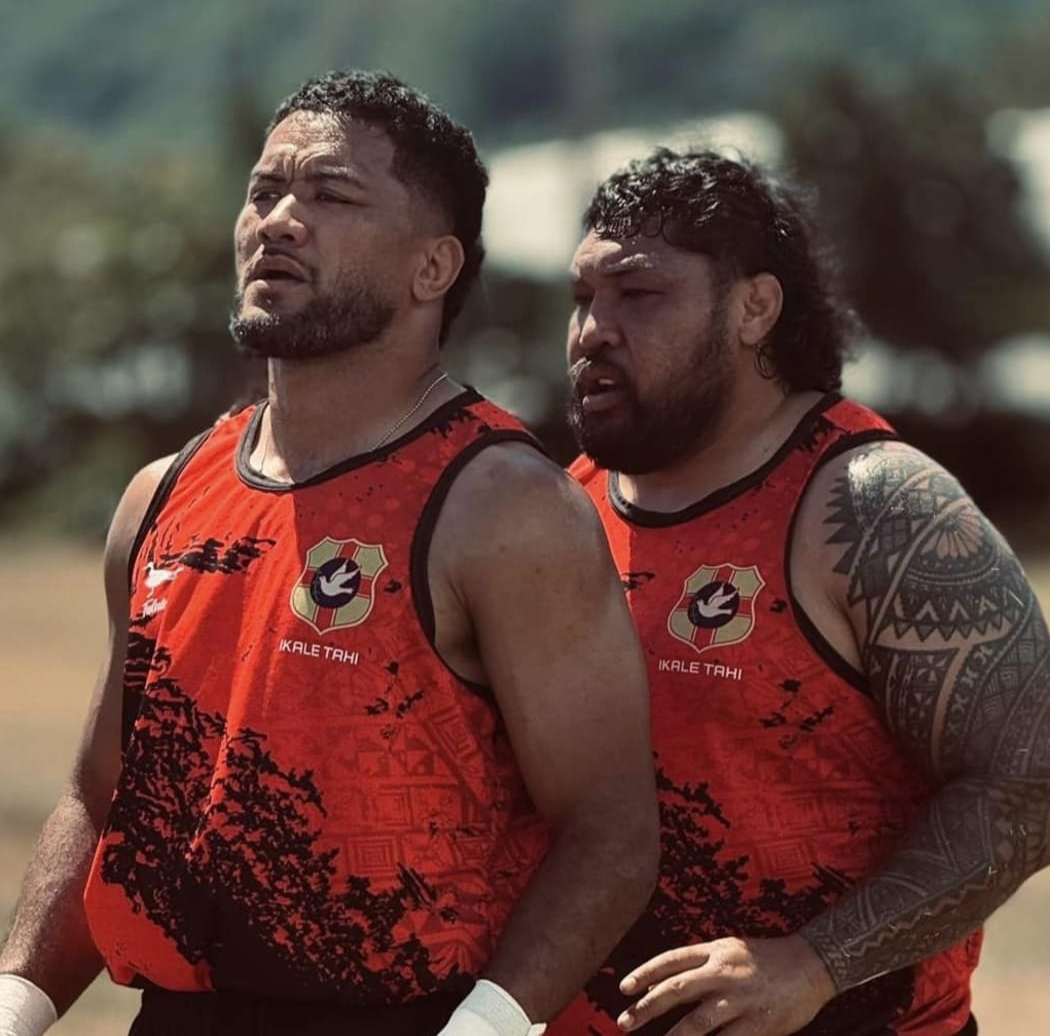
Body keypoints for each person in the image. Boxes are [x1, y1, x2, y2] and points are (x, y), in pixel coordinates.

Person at [0, 71, 660, 1036]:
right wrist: (15, 1001)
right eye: (265, 190)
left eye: (331, 195)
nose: (280, 221)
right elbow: (103, 799)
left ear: (433, 269)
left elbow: (613, 835)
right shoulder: (162, 492)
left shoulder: (504, 506)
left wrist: (481, 1030)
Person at [549, 147, 1050, 1036]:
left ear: (754, 308)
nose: (593, 330)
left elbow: (1030, 784)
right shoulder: (560, 505)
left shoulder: (874, 504)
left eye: (638, 294)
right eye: (583, 298)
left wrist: (817, 964)